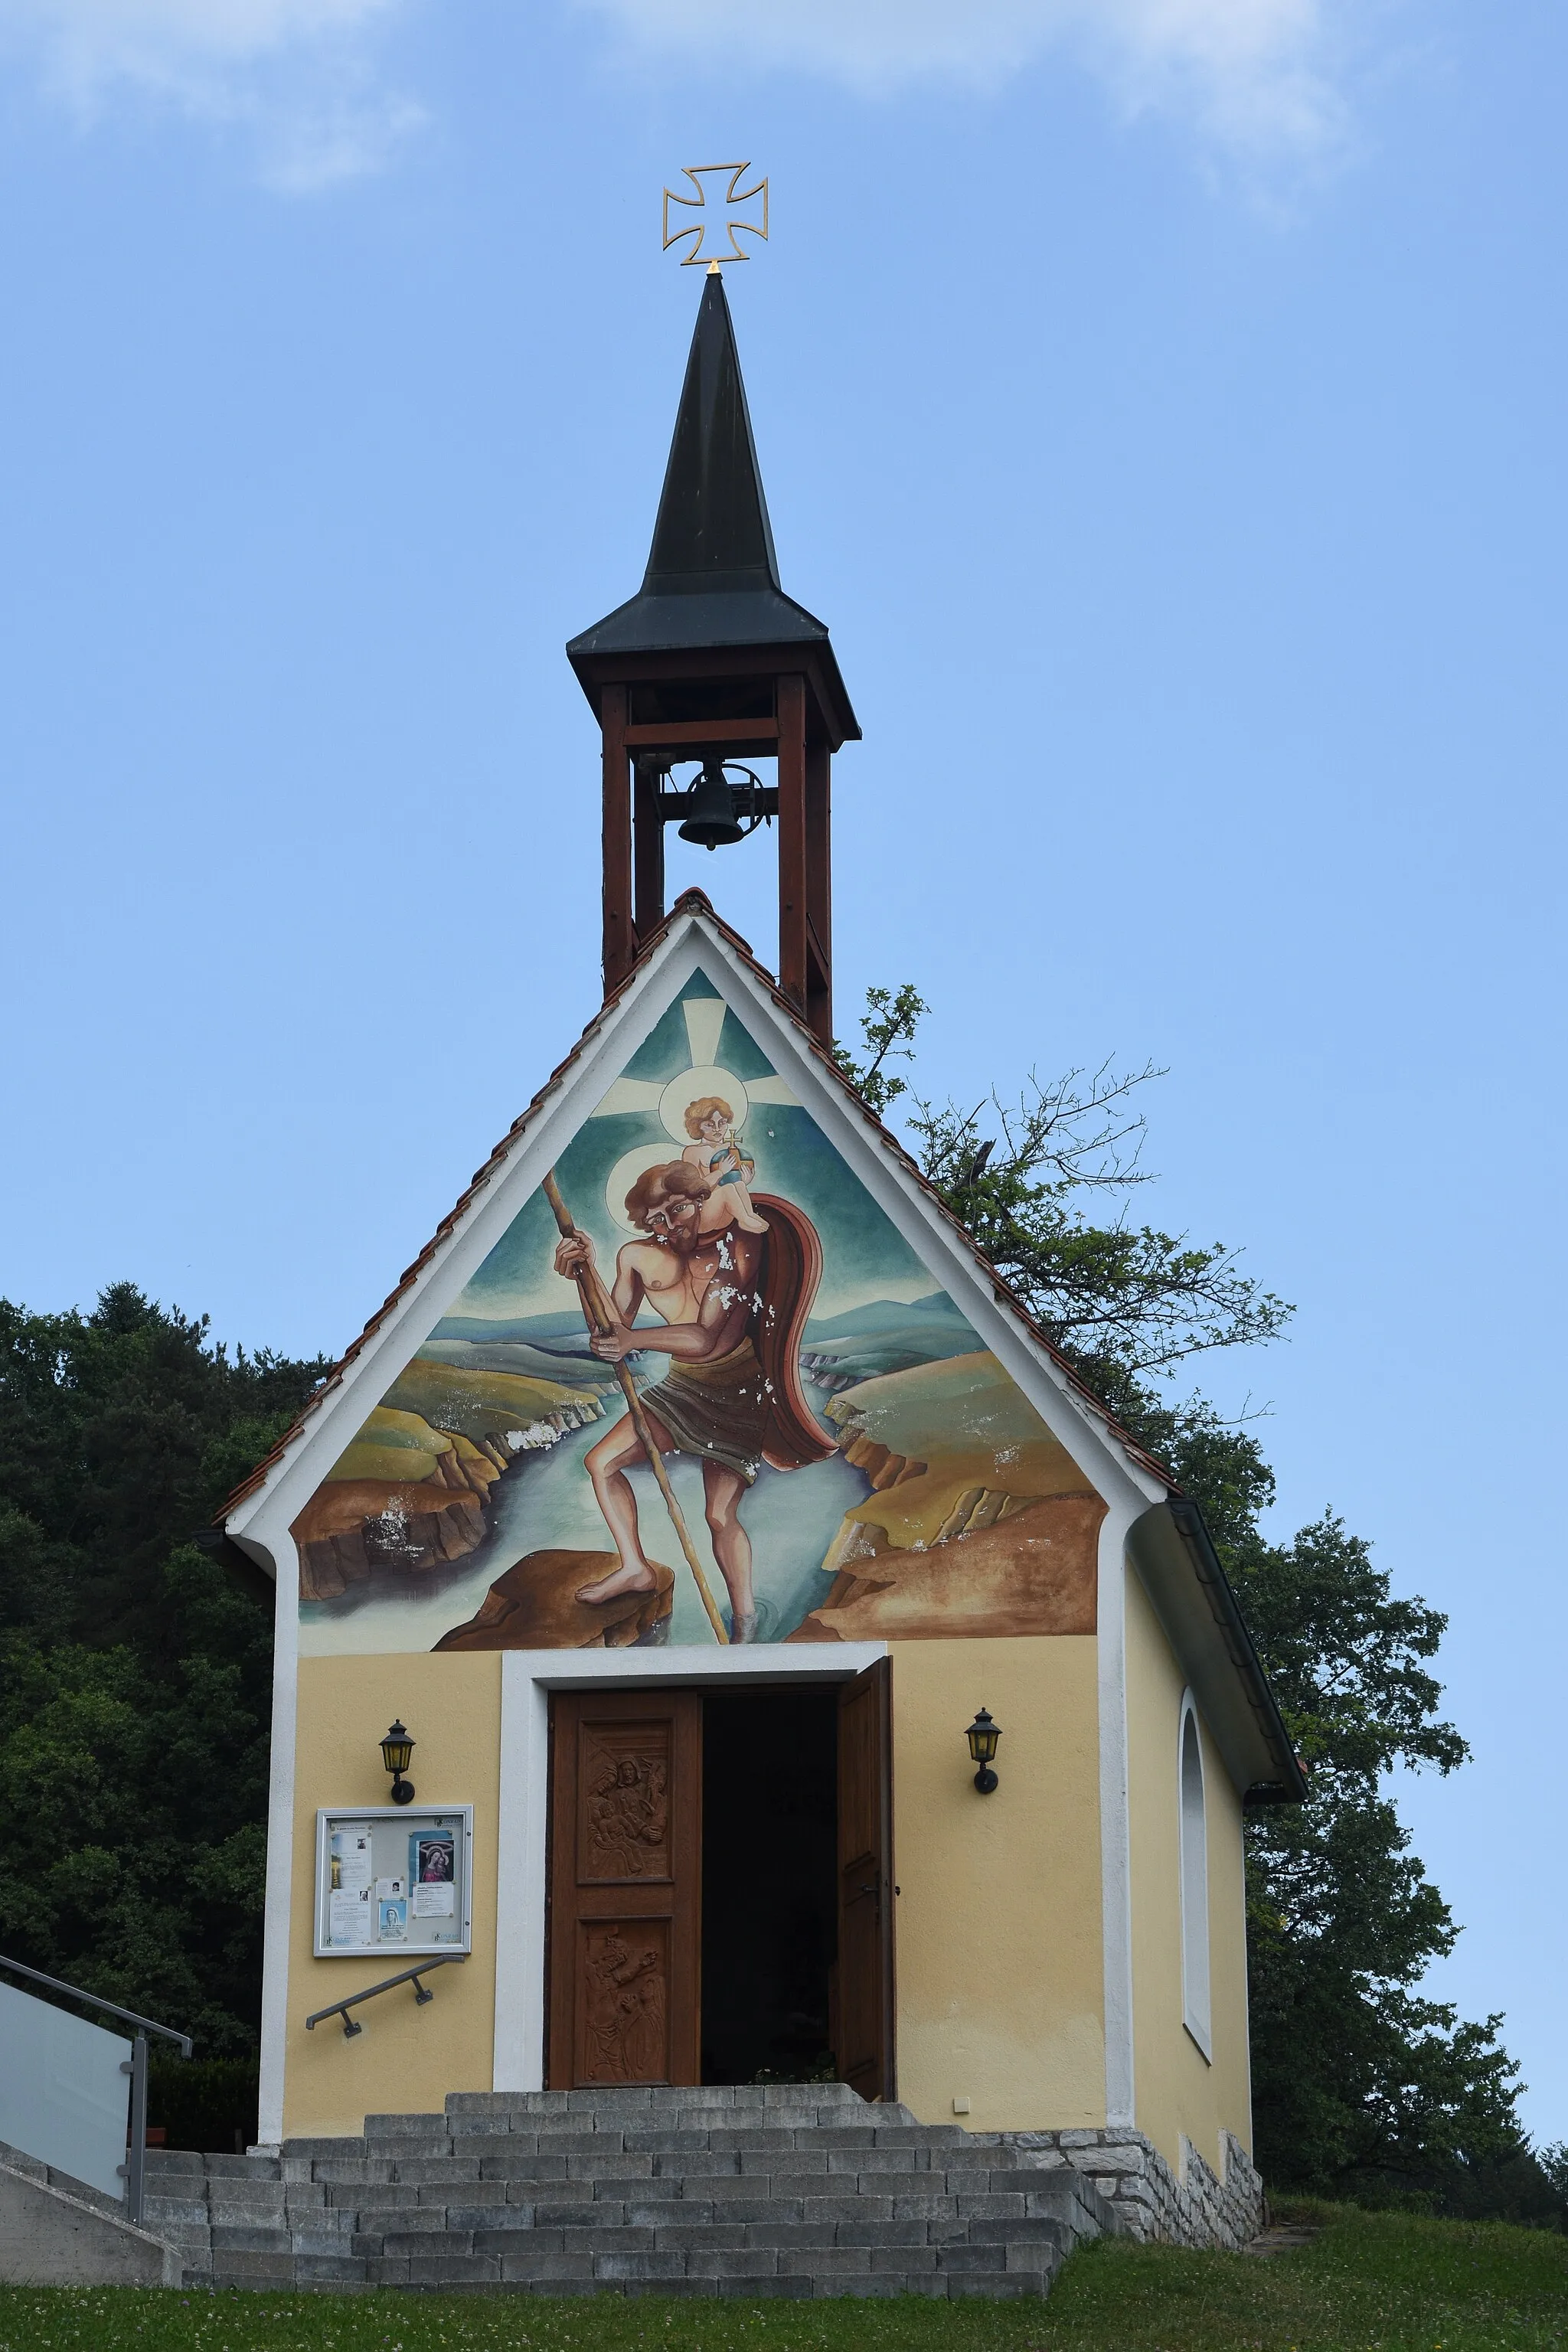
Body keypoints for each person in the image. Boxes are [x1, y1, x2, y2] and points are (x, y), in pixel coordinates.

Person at [552, 1160, 832, 1642]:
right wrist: (584, 1269)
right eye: (656, 1220)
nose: (669, 1225)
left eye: (677, 1210)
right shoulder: (637, 1257)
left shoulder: (737, 1247)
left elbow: (706, 1337)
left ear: (701, 1199)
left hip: (737, 1388)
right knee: (601, 1462)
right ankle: (635, 1568)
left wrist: (633, 1340)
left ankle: (745, 1618)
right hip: (683, 1387)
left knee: (719, 1515)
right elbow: (610, 1326)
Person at [681, 1096, 768, 1235]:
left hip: (726, 1213)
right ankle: (745, 1219)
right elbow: (694, 1190)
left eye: (722, 1123)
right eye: (709, 1125)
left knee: (738, 1185)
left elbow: (735, 1181)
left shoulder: (729, 1147)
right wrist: (720, 1172)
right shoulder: (693, 1152)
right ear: (697, 1126)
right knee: (727, 1189)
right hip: (703, 1215)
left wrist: (744, 1180)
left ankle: (749, 1215)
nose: (717, 1129)